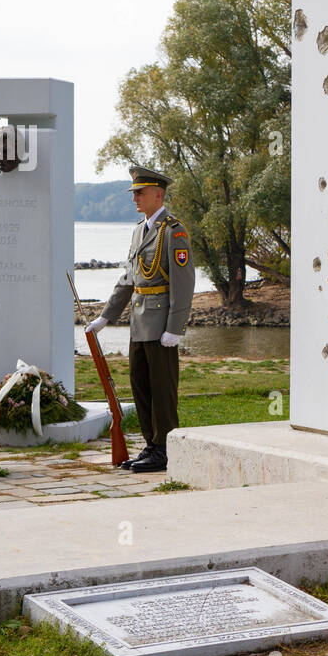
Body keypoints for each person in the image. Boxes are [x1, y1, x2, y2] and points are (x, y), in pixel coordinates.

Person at [86, 166, 196, 472]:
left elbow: (184, 284)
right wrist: (105, 317)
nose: (135, 197)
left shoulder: (174, 231)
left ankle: (165, 447)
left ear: (158, 194)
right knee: (141, 385)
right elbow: (128, 279)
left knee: (162, 389)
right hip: (138, 322)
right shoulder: (139, 231)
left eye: (140, 192)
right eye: (134, 192)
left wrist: (175, 328)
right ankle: (151, 445)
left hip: (161, 324)